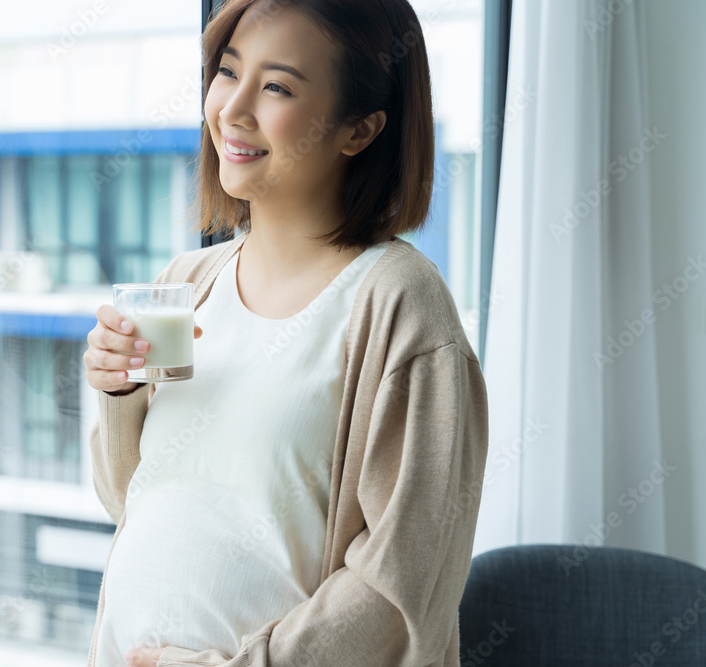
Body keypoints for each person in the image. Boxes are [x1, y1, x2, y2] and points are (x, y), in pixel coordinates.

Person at [83, 0, 489, 665]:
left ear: (359, 129)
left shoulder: (400, 305)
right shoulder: (190, 279)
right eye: (228, 72)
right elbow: (134, 499)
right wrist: (121, 394)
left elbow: (403, 582)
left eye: (276, 87)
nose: (232, 110)